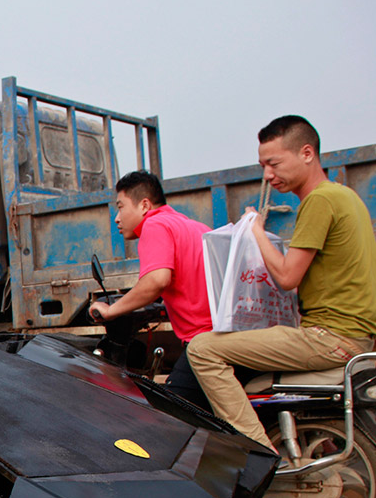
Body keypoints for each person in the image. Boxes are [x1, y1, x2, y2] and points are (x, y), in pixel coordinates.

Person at [187, 115, 376, 448]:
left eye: (273, 163)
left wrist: (256, 230)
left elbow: (288, 277)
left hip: (328, 337)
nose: (268, 175)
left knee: (202, 349)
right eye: (263, 165)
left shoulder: (320, 200)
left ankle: (259, 453)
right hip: (353, 335)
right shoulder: (347, 197)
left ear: (307, 153)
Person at [89, 171, 213, 406]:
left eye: (121, 207)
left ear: (144, 205)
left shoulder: (154, 226)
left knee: (170, 415)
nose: (117, 218)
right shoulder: (194, 226)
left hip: (203, 344)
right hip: (222, 335)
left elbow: (156, 281)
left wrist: (111, 311)